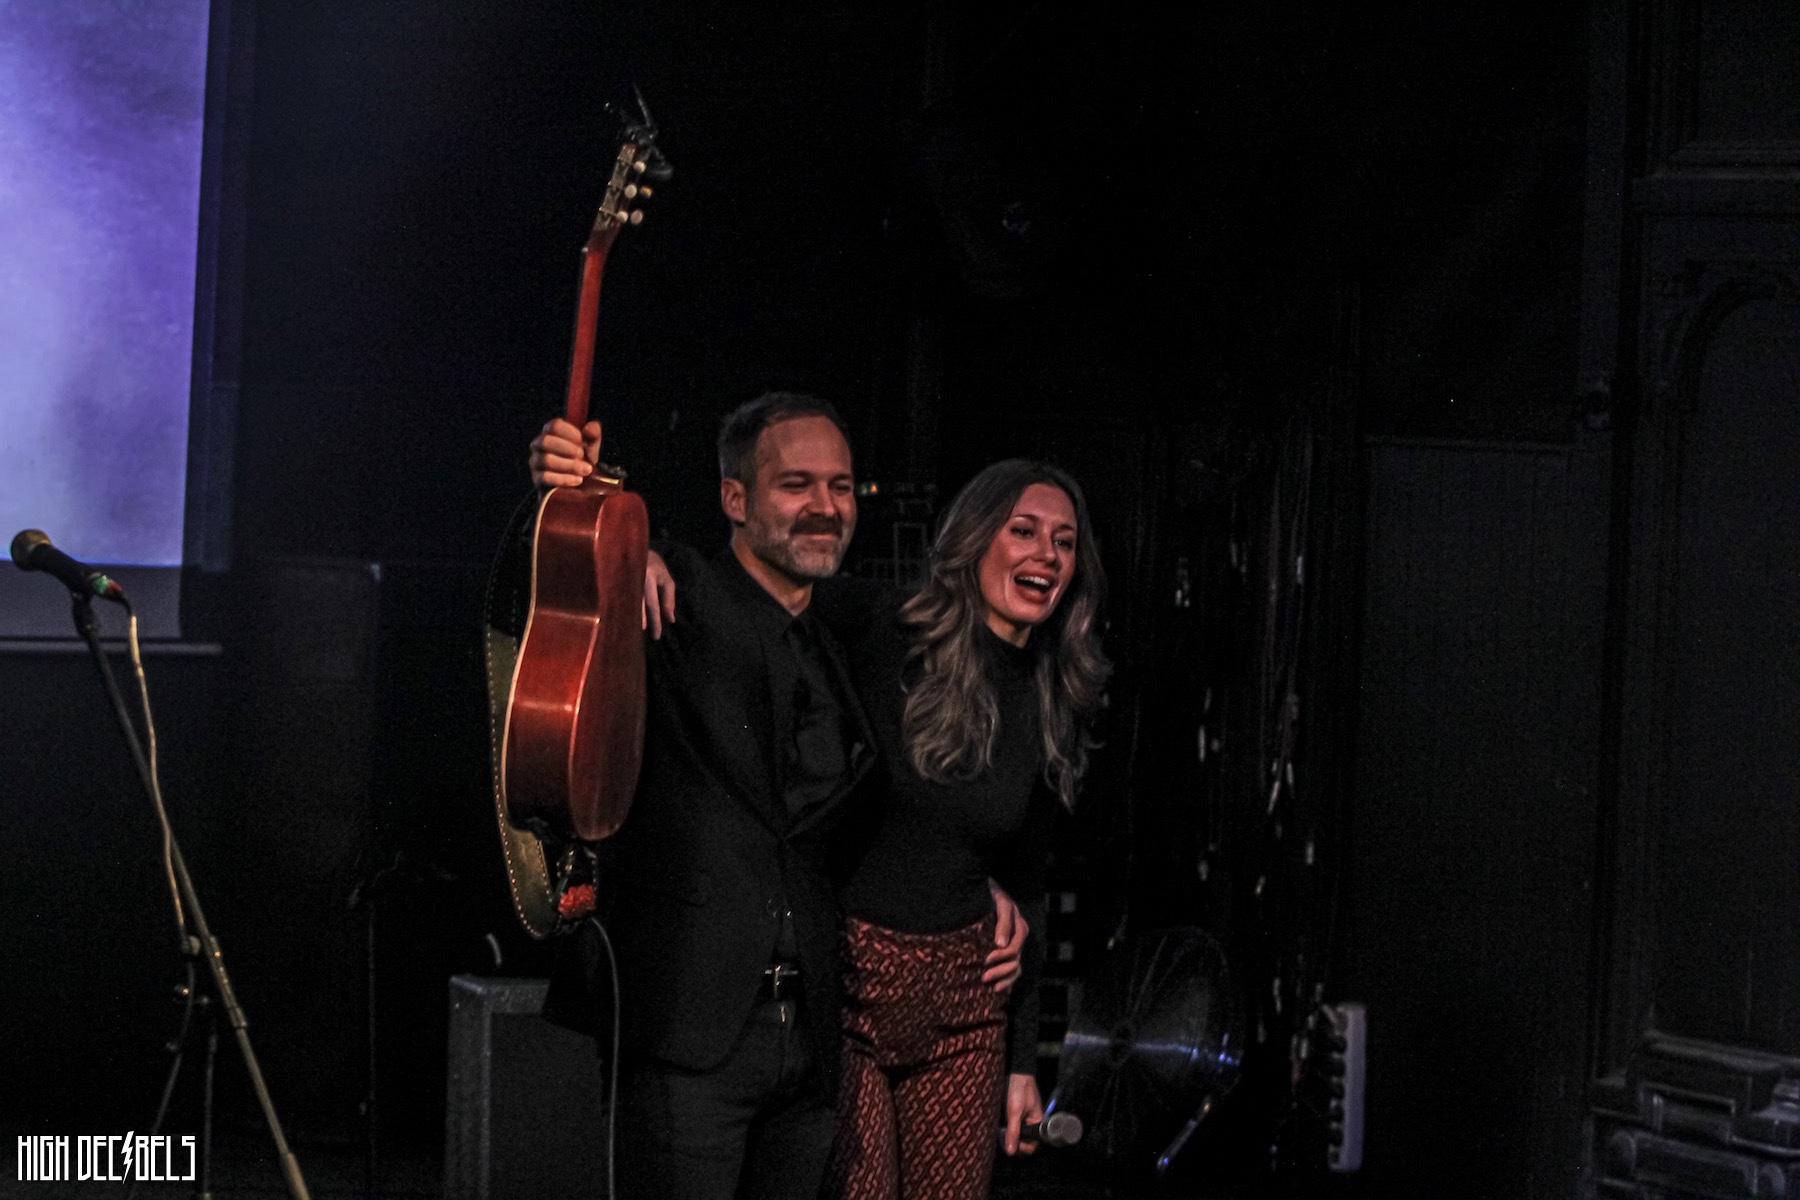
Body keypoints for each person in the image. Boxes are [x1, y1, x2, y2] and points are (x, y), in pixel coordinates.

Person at [524, 394, 1025, 1200]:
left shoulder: (845, 642)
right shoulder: (674, 595)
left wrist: (980, 887)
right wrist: (584, 508)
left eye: (840, 487)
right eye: (796, 485)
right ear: (735, 499)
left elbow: (897, 805)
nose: (825, 507)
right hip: (689, 1029)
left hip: (814, 1043)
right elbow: (558, 592)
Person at [814, 459, 1111, 1200]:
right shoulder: (890, 627)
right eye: (1024, 532)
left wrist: (1023, 1066)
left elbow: (1030, 884)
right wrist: (655, 561)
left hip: (965, 1009)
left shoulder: (1052, 694)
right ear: (975, 539)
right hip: (852, 994)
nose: (1048, 554)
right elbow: (763, 589)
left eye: (1065, 542)